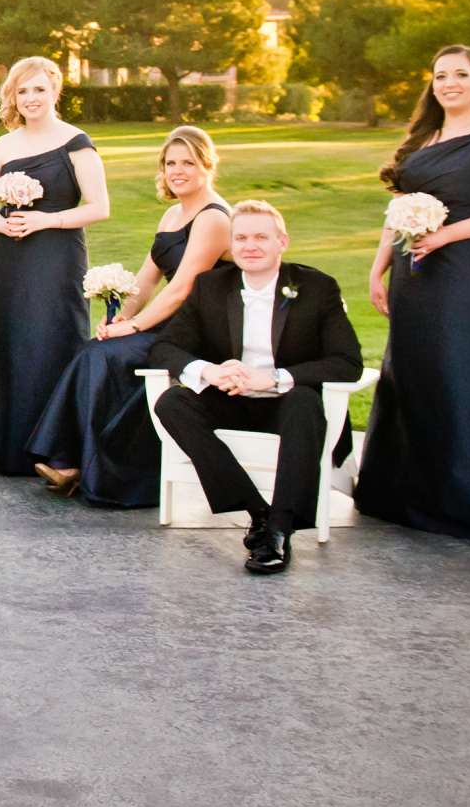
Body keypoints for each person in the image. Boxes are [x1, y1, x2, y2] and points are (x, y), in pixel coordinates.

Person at [355, 45, 470, 545]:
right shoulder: (424, 137)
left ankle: (465, 509)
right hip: (414, 273)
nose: (449, 83)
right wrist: (379, 267)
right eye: (440, 76)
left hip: (468, 273)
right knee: (410, 376)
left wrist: (448, 236)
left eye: (461, 74)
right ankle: (400, 498)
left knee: (459, 375)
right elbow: (399, 210)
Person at [151, 201, 364, 574]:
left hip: (286, 404)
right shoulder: (211, 286)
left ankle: (280, 529)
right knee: (172, 402)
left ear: (282, 241)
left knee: (302, 402)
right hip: (230, 399)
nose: (250, 246)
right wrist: (209, 371)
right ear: (231, 245)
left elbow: (347, 363)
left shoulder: (316, 287)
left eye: (261, 237)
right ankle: (257, 512)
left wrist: (277, 377)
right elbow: (166, 347)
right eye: (242, 238)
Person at [27, 126, 231, 506]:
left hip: (201, 332)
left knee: (107, 357)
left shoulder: (213, 218)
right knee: (95, 349)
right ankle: (72, 460)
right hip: (168, 321)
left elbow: (182, 287)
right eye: (171, 163)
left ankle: (90, 469)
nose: (177, 170)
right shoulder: (173, 214)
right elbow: (147, 280)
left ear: (207, 165)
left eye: (188, 162)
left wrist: (135, 327)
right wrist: (120, 319)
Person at [0, 56, 109, 476]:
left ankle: (59, 453)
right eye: (22, 90)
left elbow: (100, 207)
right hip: (11, 257)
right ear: (13, 95)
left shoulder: (76, 142)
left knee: (52, 339)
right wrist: (2, 224)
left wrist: (46, 219)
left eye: (39, 89)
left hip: (57, 256)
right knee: (10, 339)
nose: (30, 98)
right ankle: (6, 449)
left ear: (55, 92)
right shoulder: (5, 144)